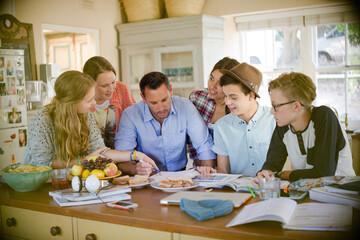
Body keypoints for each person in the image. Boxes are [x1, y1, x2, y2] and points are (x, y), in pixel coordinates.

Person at [22, 71, 158, 171]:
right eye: (89, 100)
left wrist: (135, 155)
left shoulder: (86, 114)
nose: (93, 103)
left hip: (69, 181)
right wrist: (83, 160)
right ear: (72, 103)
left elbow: (100, 150)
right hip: (39, 184)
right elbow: (42, 163)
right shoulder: (41, 120)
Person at [255, 72, 355, 182]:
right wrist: (265, 174)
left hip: (340, 191)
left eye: (275, 106)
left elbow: (324, 173)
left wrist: (286, 175)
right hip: (307, 192)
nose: (271, 112)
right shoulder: (284, 125)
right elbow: (272, 164)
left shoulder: (324, 116)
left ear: (296, 106)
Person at [115, 71, 216, 176]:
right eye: (154, 103)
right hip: (147, 178)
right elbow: (121, 158)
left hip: (181, 176)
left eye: (164, 100)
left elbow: (204, 146)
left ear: (170, 91)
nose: (161, 108)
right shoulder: (130, 115)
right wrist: (135, 169)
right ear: (143, 98)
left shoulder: (185, 106)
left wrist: (206, 177)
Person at [211, 63, 276, 176]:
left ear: (251, 95)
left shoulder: (274, 120)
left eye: (233, 97)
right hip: (237, 192)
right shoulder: (221, 126)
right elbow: (223, 171)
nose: (227, 102)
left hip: (270, 189)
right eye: (226, 96)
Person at [187, 57, 240, 166]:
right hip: (201, 167)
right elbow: (190, 136)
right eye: (211, 78)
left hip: (231, 169)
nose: (212, 86)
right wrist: (202, 164)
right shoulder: (196, 98)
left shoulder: (237, 107)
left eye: (220, 83)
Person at [83, 56, 136, 149]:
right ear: (89, 84)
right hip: (93, 156)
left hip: (122, 152)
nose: (111, 89)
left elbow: (135, 117)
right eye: (104, 85)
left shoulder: (120, 88)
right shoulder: (81, 101)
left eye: (113, 82)